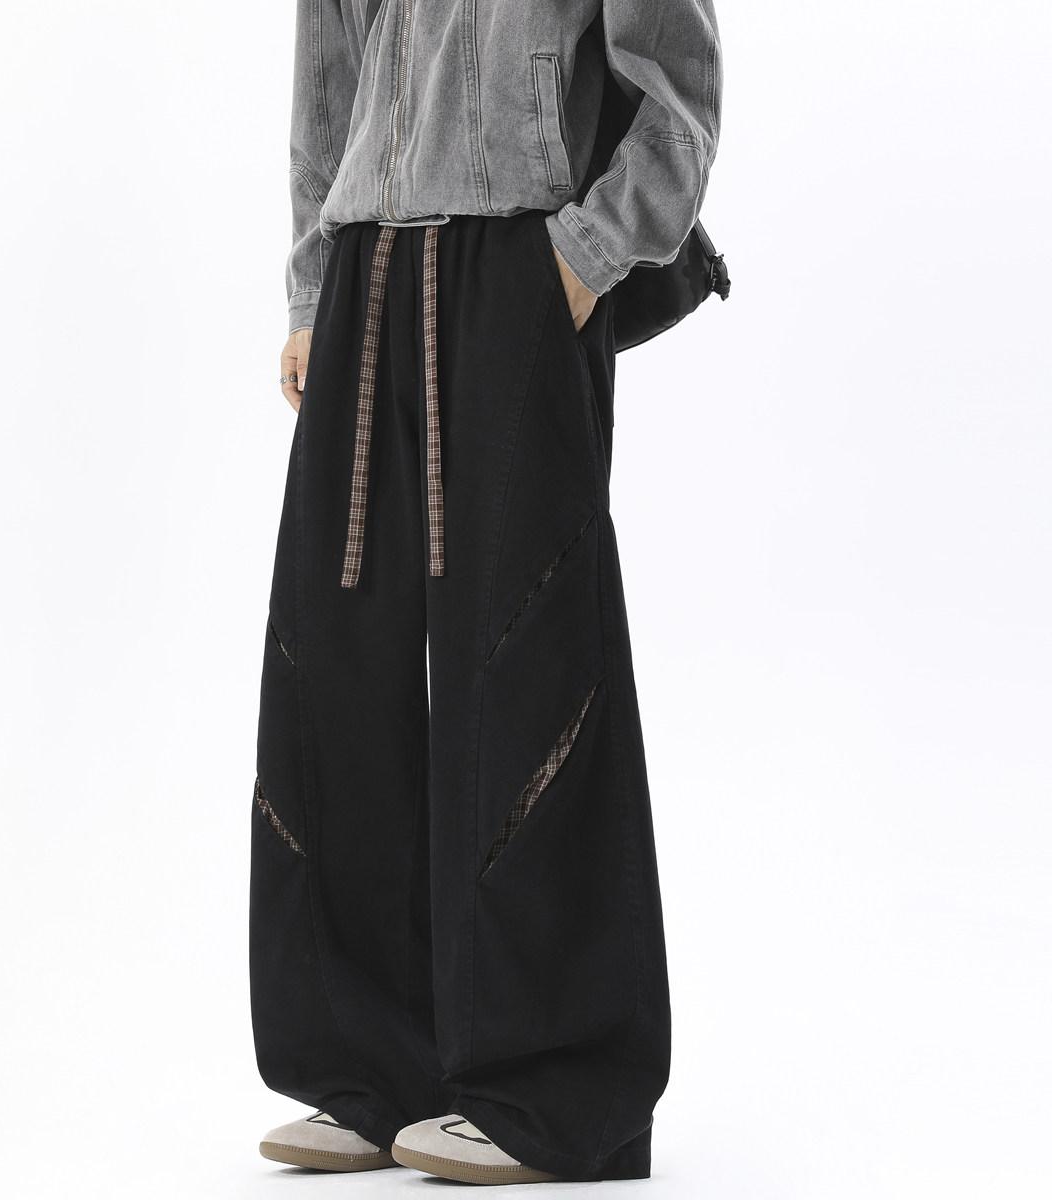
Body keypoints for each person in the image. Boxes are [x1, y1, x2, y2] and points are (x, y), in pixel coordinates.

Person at [249, 0, 722, 1184]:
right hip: (366, 266)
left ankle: (554, 1087)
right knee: (337, 664)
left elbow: (678, 87)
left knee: (528, 658)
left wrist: (584, 256)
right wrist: (311, 286)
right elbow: (327, 77)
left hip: (517, 260)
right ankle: (373, 1067)